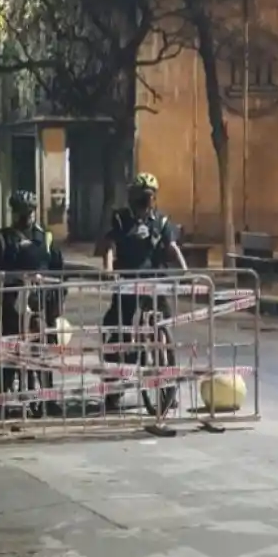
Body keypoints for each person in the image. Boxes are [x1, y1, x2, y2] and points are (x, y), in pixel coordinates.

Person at [101, 172, 188, 409]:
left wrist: (186, 272)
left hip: (155, 283)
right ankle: (113, 387)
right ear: (132, 198)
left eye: (149, 198)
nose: (145, 203)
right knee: (119, 335)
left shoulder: (160, 222)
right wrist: (108, 270)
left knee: (164, 333)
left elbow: (172, 247)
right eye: (141, 198)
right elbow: (109, 246)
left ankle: (167, 391)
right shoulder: (120, 219)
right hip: (127, 284)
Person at [0, 190, 64, 416]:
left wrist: (58, 296)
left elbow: (59, 269)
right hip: (12, 301)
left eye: (30, 211)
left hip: (41, 302)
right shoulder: (2, 238)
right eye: (22, 212)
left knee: (42, 350)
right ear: (14, 212)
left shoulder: (44, 237)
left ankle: (49, 397)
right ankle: (2, 398)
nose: (27, 216)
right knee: (9, 350)